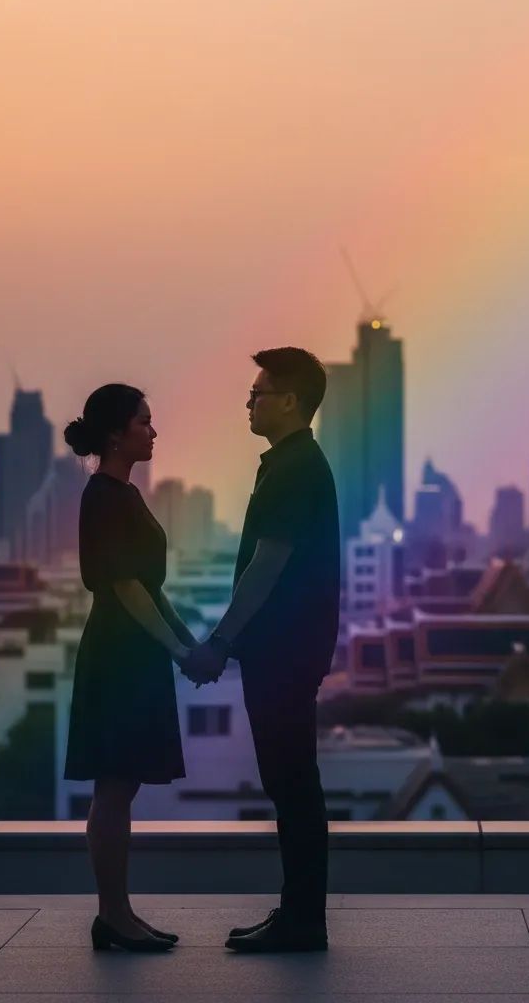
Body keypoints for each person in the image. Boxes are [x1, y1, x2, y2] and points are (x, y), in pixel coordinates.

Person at [187, 347, 340, 953]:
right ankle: (298, 915)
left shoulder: (294, 468)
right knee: (291, 780)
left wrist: (221, 640)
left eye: (258, 393)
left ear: (291, 401)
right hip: (287, 649)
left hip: (284, 651)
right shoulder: (290, 463)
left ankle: (303, 921)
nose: (248, 402)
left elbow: (266, 565)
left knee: (293, 782)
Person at [63, 383, 197, 953]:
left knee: (123, 785)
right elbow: (126, 589)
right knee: (114, 789)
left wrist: (186, 644)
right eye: (145, 421)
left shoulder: (124, 494)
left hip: (133, 652)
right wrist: (177, 648)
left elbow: (149, 587)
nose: (153, 430)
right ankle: (113, 916)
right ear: (117, 433)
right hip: (119, 654)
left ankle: (120, 914)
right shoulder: (104, 497)